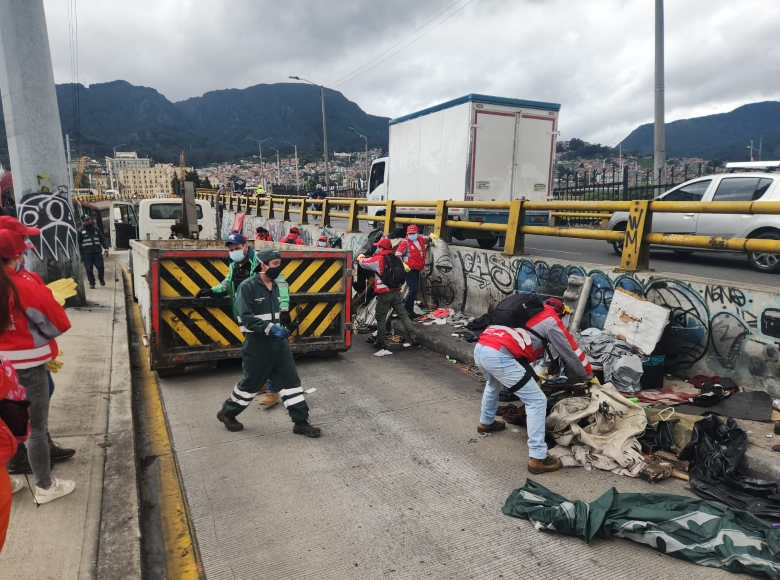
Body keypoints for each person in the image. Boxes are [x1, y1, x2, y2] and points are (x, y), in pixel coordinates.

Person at [472, 300, 594, 475]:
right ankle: (538, 458)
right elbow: (570, 350)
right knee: (536, 401)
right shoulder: (551, 318)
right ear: (561, 312)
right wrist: (588, 375)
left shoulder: (525, 311)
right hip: (499, 356)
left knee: (493, 384)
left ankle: (486, 422)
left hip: (482, 347)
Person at [0, 229, 75, 503]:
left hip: (0, 368)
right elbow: (58, 324)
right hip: (26, 368)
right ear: (17, 254)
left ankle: (6, 481)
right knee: (36, 428)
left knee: (3, 426)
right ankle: (44, 487)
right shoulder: (25, 286)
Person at [216, 248, 320, 437]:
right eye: (275, 264)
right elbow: (245, 317)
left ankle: (301, 422)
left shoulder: (275, 286)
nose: (278, 268)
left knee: (292, 383)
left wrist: (281, 327)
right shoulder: (247, 287)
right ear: (262, 265)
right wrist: (271, 329)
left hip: (278, 345)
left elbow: (274, 315)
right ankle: (227, 413)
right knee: (250, 385)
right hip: (257, 346)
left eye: (279, 264)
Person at [196, 234, 290, 408]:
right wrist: (211, 290)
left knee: (269, 352)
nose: (234, 252)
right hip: (247, 316)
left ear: (245, 246)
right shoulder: (234, 265)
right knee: (254, 352)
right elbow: (227, 284)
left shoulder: (261, 261)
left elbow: (281, 283)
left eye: (237, 248)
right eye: (231, 250)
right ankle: (260, 382)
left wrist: (283, 308)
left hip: (264, 313)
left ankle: (273, 390)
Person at [357, 237, 419, 350]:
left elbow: (363, 263)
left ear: (382, 248)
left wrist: (361, 257)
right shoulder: (395, 258)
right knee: (403, 315)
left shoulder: (378, 259)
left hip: (384, 294)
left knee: (381, 318)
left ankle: (380, 341)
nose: (377, 248)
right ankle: (414, 338)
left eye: (378, 246)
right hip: (396, 292)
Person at [394, 225, 436, 317]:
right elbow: (397, 255)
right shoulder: (405, 243)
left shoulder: (420, 239)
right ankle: (406, 310)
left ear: (417, 233)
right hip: (409, 269)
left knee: (413, 289)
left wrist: (432, 237)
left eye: (413, 233)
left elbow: (427, 238)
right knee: (413, 289)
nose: (412, 235)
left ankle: (408, 309)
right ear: (407, 234)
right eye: (410, 234)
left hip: (417, 269)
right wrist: (403, 264)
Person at [77, 214, 109, 289]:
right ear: (83, 222)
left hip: (97, 252)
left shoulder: (96, 229)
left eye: (89, 219)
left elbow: (102, 239)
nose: (88, 221)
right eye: (86, 220)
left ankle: (101, 279)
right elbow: (78, 243)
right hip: (87, 254)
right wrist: (80, 254)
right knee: (88, 269)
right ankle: (92, 283)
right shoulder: (80, 231)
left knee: (100, 267)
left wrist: (106, 248)